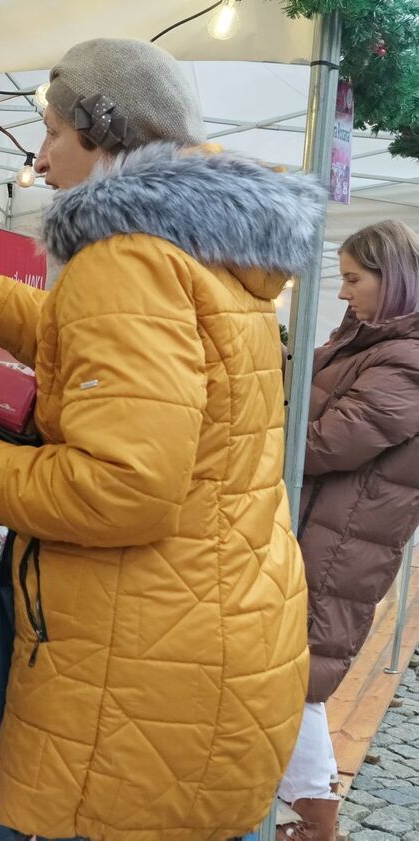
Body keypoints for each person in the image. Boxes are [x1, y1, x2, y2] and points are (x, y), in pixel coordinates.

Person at [0, 38, 318, 840]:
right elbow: (106, 341)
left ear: (103, 130)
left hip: (144, 672)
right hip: (213, 634)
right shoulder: (199, 244)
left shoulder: (126, 259)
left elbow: (123, 487)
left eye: (52, 132)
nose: (40, 157)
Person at [276, 220, 419, 841]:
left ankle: (317, 825)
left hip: (338, 545)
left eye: (354, 279)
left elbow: (326, 441)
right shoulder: (365, 342)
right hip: (324, 531)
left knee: (300, 675)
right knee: (289, 670)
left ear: (394, 282)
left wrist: (248, 435)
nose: (342, 294)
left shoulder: (407, 359)